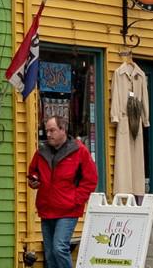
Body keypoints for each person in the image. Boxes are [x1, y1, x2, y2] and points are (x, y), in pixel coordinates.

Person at [28, 114, 99, 268]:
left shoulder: (79, 151)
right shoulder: (42, 151)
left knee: (59, 248)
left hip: (68, 210)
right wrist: (33, 180)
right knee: (50, 253)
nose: (48, 134)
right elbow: (33, 171)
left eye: (52, 130)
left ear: (63, 130)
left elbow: (91, 179)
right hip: (47, 208)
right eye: (46, 131)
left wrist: (76, 199)